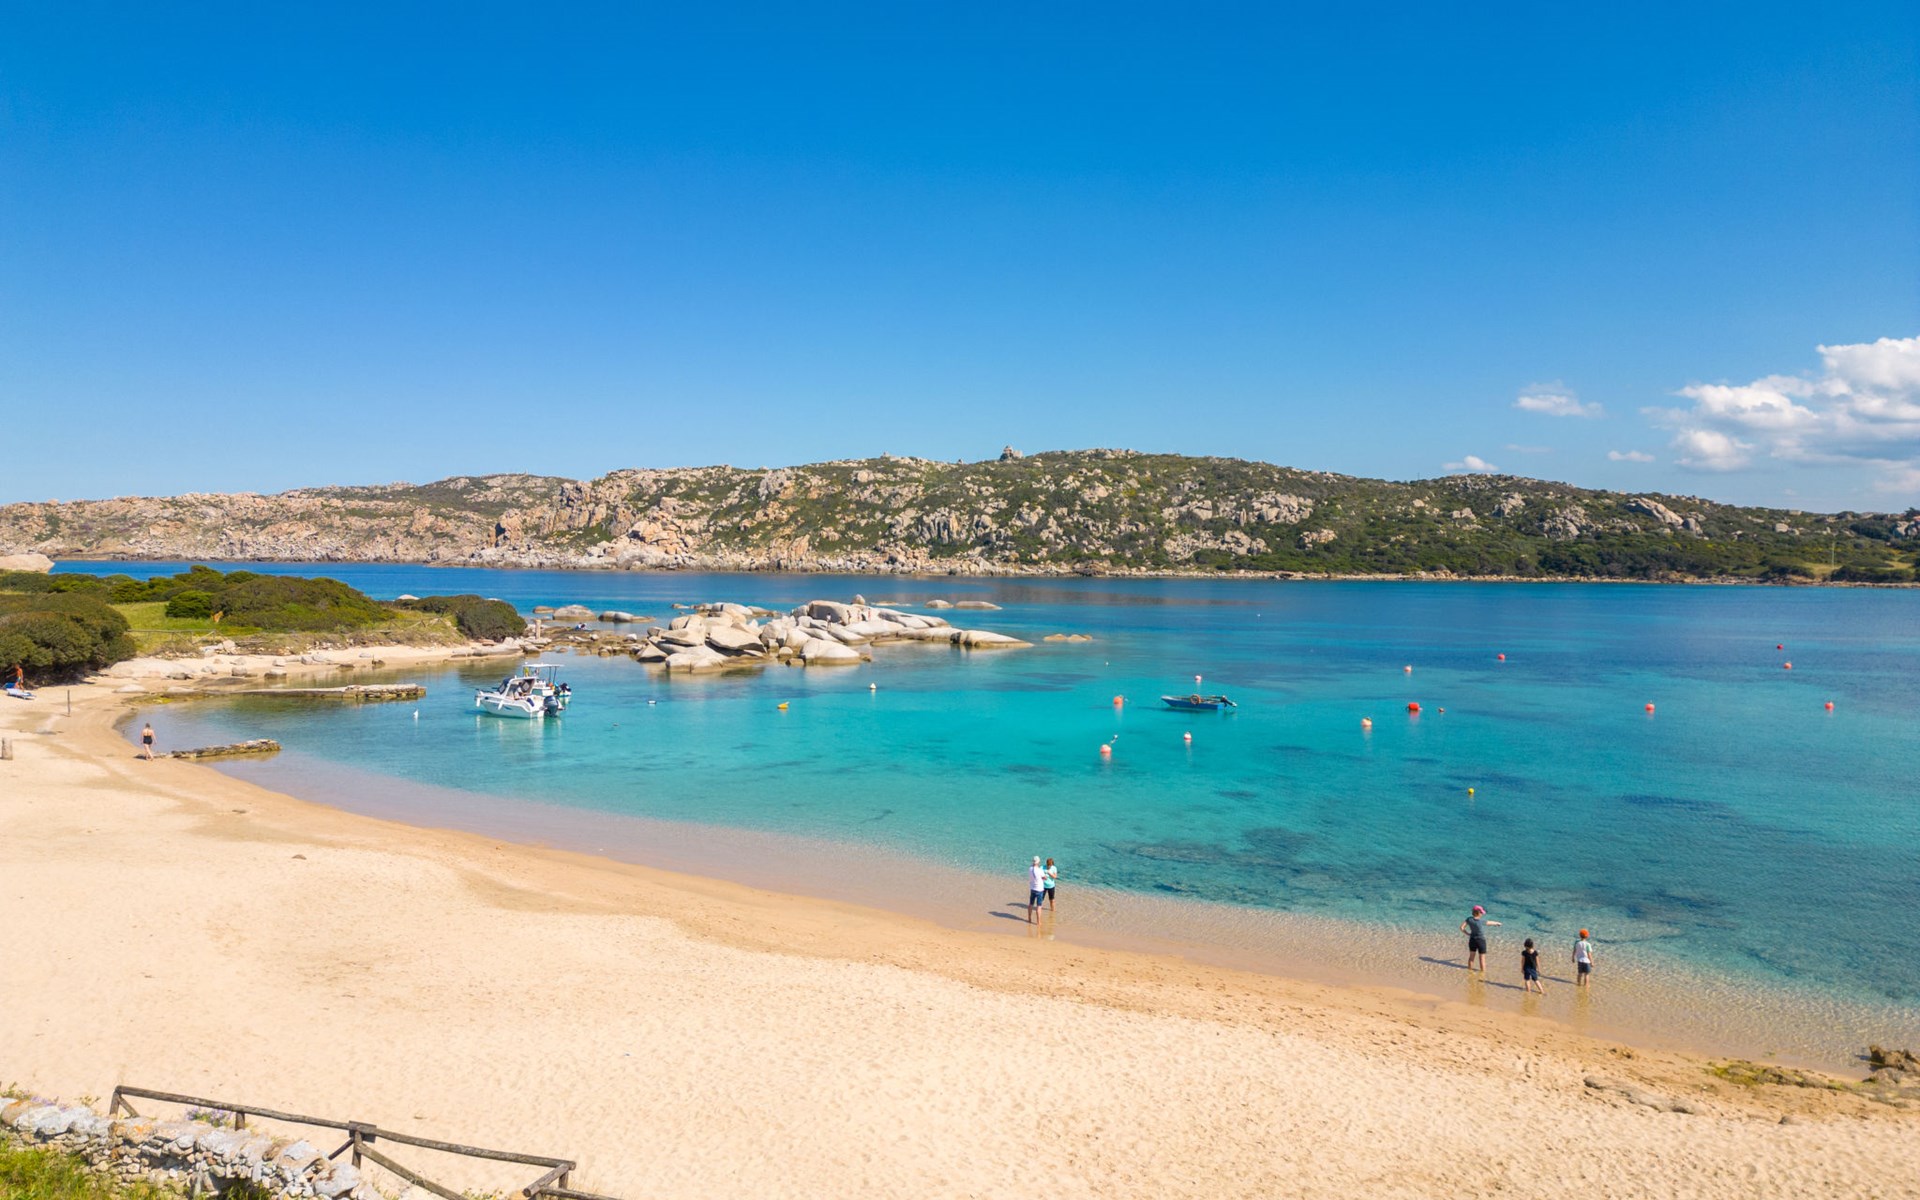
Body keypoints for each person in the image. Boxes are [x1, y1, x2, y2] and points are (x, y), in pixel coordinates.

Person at [1460, 904, 1501, 972]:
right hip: (1480, 941)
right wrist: (1497, 923)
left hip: (1472, 940)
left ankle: (1470, 971)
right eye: (1481, 912)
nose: (1482, 914)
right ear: (1478, 913)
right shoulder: (1481, 921)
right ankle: (1483, 974)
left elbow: (1461, 927)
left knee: (1471, 957)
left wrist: (1467, 934)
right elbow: (1490, 922)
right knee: (1482, 958)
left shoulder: (1469, 919)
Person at [1027, 856, 1048, 924]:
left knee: (1031, 904)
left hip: (1032, 889)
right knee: (1039, 906)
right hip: (1039, 890)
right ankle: (1038, 922)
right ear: (1038, 862)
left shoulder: (1030, 868)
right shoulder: (1040, 870)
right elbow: (1045, 878)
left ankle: (1029, 918)